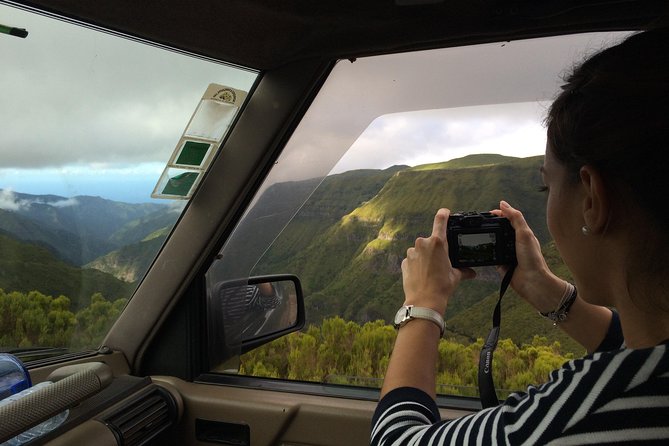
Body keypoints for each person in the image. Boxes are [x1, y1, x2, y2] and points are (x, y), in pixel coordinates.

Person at [371, 28, 669, 444]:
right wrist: (544, 289)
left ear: (592, 200)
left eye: (548, 187)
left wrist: (423, 306)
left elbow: (395, 440)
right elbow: (640, 342)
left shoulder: (585, 412)